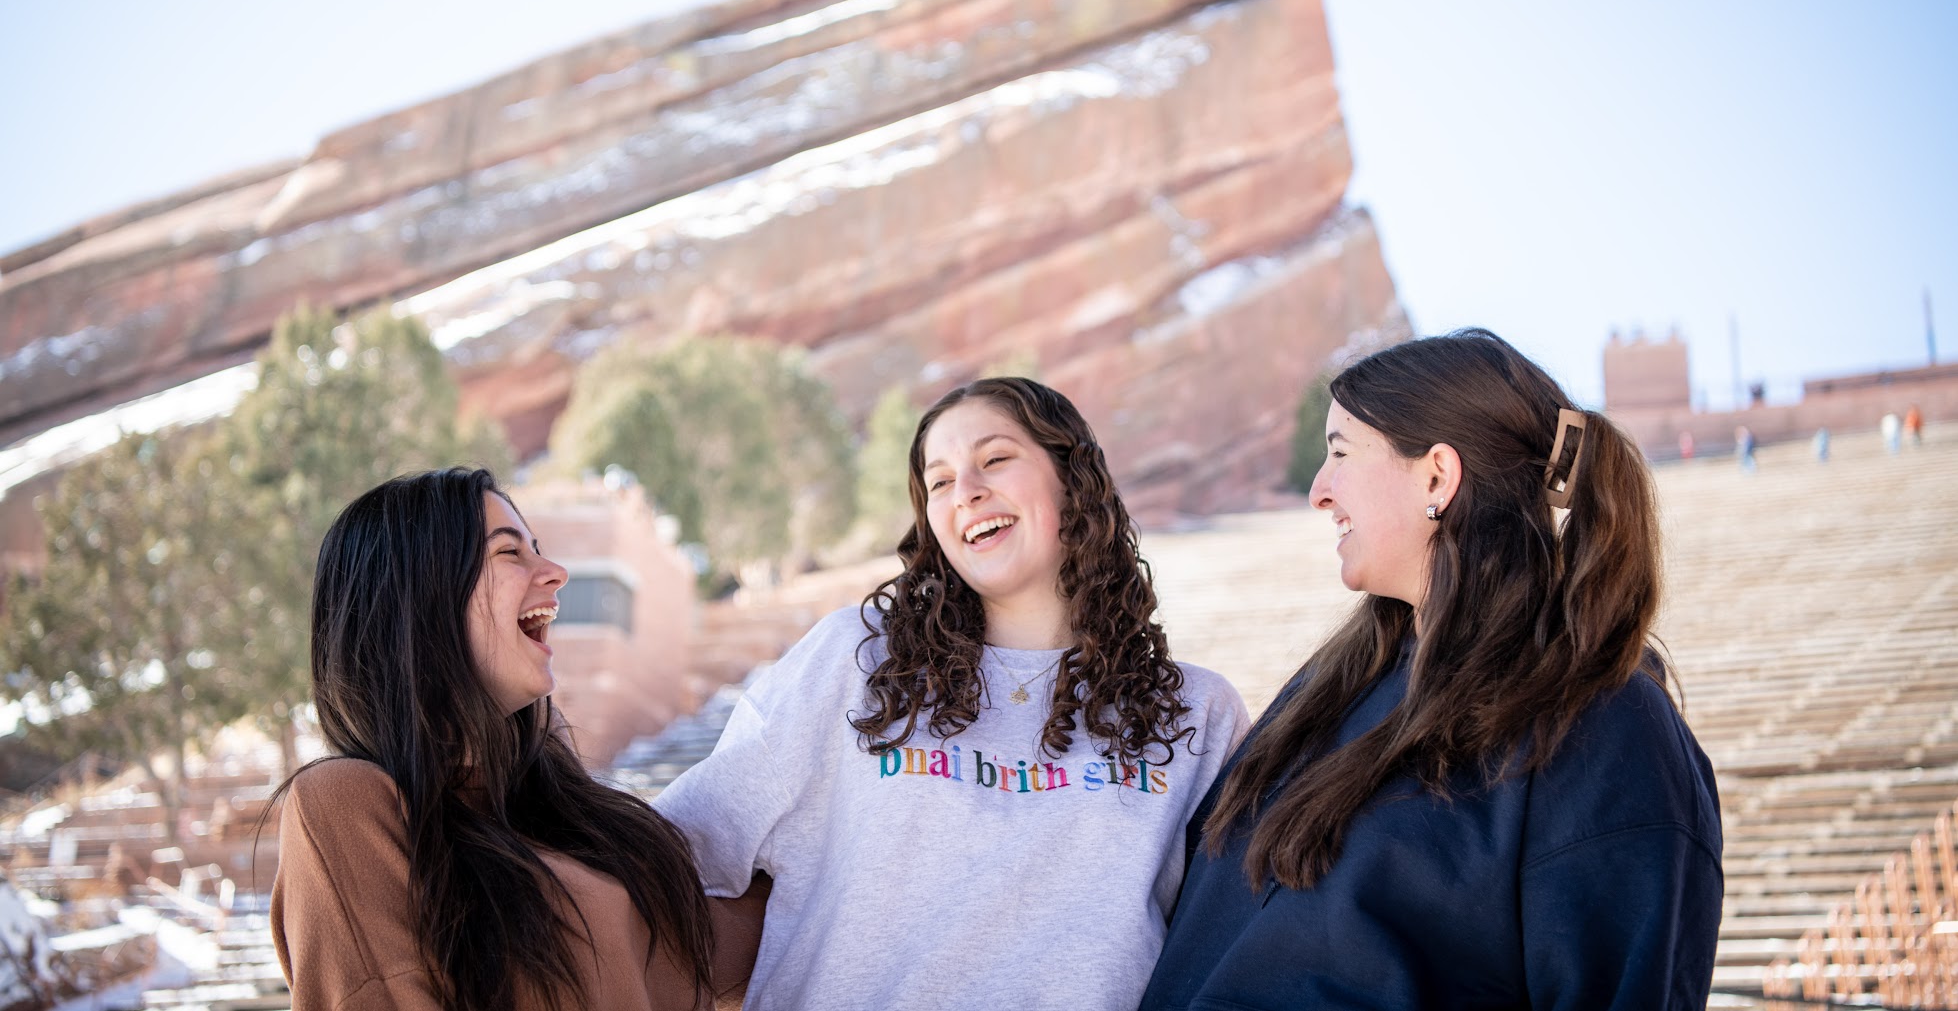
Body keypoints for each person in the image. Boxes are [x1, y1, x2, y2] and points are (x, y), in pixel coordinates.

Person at [1142, 330, 1723, 1010]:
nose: (1319, 491)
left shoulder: (1601, 725)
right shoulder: (1327, 693)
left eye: (1340, 454)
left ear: (1437, 477)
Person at [657, 377, 1249, 1011]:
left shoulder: (1197, 713)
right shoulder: (854, 661)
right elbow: (675, 851)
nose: (966, 491)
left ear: (1072, 480)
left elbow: (1238, 950)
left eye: (994, 459)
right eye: (939, 482)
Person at [271, 467, 764, 1011]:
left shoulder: (573, 821)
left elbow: (751, 946)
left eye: (539, 550)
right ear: (419, 596)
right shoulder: (343, 805)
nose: (556, 573)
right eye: (509, 552)